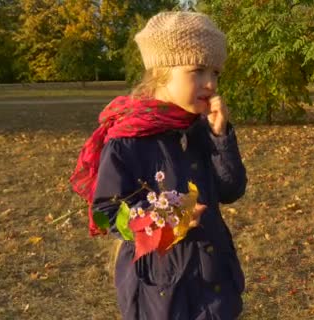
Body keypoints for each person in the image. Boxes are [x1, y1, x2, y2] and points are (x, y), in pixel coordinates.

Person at [70, 11, 247, 319]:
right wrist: (163, 218)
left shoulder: (200, 129)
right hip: (163, 293)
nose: (210, 83)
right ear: (161, 72)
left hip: (214, 283)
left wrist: (220, 138)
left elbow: (231, 189)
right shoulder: (128, 139)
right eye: (198, 70)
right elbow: (105, 213)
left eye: (215, 73)